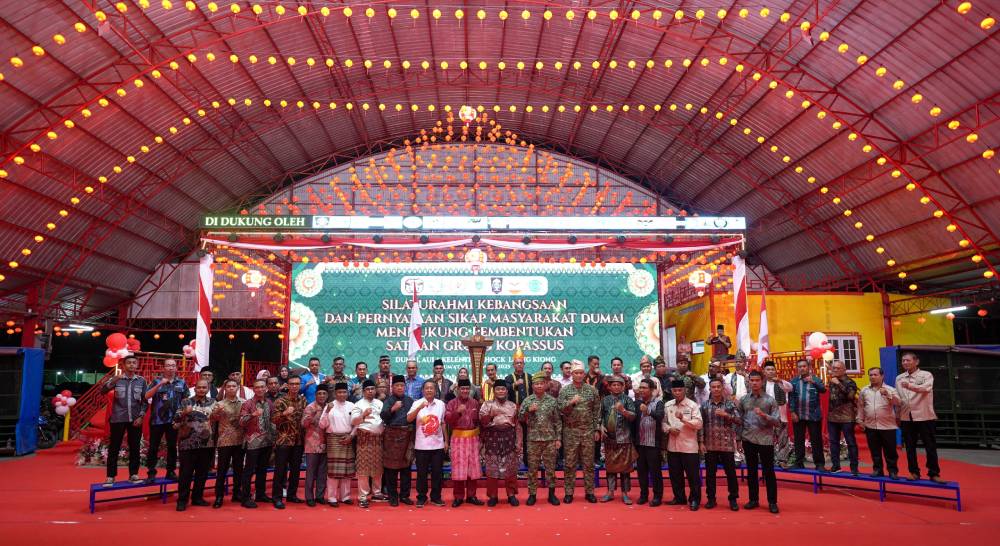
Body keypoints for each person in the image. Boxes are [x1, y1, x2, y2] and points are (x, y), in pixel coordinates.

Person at [557, 359, 600, 504]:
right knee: (569, 464)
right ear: (572, 374)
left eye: (581, 373)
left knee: (588, 464)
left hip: (588, 431)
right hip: (570, 432)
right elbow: (560, 409)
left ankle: (590, 492)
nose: (579, 375)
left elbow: (596, 411)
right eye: (576, 373)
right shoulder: (565, 390)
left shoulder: (592, 390)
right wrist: (571, 402)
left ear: (584, 374)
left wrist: (596, 429)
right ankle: (569, 492)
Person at [101, 354, 148, 487]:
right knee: (114, 448)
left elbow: (145, 401)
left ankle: (133, 474)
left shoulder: (142, 381)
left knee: (135, 448)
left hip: (135, 419)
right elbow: (102, 391)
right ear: (123, 365)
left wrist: (141, 416)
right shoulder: (117, 379)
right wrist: (113, 381)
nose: (132, 365)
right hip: (118, 418)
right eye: (129, 363)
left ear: (137, 365)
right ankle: (110, 476)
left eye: (134, 362)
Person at [738, 371, 781, 513]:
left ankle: (772, 502)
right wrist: (738, 439)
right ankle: (753, 499)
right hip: (748, 438)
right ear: (749, 382)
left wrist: (764, 415)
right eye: (752, 380)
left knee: (769, 472)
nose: (754, 383)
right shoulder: (744, 400)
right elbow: (739, 420)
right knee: (751, 471)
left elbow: (777, 422)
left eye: (757, 380)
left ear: (762, 382)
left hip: (765, 440)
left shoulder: (770, 400)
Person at [897, 352, 943, 482]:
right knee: (910, 447)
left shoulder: (926, 375)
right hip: (906, 416)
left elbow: (926, 388)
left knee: (930, 446)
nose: (905, 362)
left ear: (916, 362)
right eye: (903, 361)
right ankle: (914, 472)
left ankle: (934, 473)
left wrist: (910, 386)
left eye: (908, 360)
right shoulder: (899, 378)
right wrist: (897, 414)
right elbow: (899, 397)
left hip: (924, 416)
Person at [520, 372, 562, 506]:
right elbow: (520, 418)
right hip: (533, 440)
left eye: (541, 383)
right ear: (532, 386)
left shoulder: (552, 401)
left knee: (551, 468)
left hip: (550, 439)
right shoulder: (528, 401)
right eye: (536, 384)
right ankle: (532, 494)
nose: (539, 386)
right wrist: (528, 411)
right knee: (532, 469)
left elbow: (557, 421)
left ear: (545, 385)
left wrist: (558, 438)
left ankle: (551, 494)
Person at [173, 379, 216, 511]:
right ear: (195, 388)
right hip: (187, 443)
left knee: (202, 473)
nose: (201, 389)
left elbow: (216, 419)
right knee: (185, 474)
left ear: (208, 389)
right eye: (199, 387)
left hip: (206, 443)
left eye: (204, 387)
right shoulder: (186, 402)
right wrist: (184, 412)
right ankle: (182, 500)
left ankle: (197, 498)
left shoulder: (213, 402)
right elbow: (175, 419)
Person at [700, 378, 740, 511]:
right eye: (713, 387)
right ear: (710, 389)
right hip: (710, 444)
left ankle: (733, 499)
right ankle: (711, 499)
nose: (716, 389)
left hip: (726, 444)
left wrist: (726, 415)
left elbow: (739, 420)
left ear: (722, 388)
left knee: (731, 473)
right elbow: (701, 425)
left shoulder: (730, 404)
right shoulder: (704, 405)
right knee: (710, 474)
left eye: (718, 386)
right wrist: (701, 442)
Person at [480, 379, 520, 507]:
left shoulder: (513, 406)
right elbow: (483, 423)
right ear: (494, 391)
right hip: (492, 439)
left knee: (510, 469)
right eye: (498, 389)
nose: (501, 391)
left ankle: (511, 495)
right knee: (492, 470)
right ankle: (493, 496)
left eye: (503, 389)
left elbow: (518, 426)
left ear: (506, 391)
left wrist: (519, 442)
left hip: (509, 439)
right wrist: (493, 415)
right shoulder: (487, 405)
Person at [664, 379, 703, 511]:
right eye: (675, 390)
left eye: (680, 390)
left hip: (689, 447)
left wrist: (683, 419)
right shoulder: (668, 405)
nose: (677, 393)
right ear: (671, 391)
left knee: (693, 476)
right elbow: (663, 423)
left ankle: (695, 499)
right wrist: (669, 429)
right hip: (672, 446)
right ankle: (679, 497)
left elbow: (699, 424)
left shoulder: (692, 405)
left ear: (685, 390)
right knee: (675, 475)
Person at [144, 358, 185, 483]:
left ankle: (170, 471)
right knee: (153, 447)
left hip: (173, 421)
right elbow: (146, 396)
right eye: (168, 365)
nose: (171, 367)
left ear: (176, 368)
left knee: (172, 447)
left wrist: (181, 417)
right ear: (163, 368)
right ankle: (151, 472)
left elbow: (186, 399)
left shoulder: (181, 382)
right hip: (157, 420)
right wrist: (159, 384)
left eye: (173, 365)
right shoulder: (156, 381)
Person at [445, 378, 483, 507]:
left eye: (467, 388)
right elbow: (447, 420)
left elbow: (479, 422)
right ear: (457, 390)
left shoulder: (475, 403)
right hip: (458, 439)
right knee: (459, 469)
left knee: (473, 469)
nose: (465, 391)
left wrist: (481, 440)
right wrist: (457, 412)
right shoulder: (452, 403)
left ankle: (472, 496)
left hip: (473, 439)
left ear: (470, 390)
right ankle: (458, 497)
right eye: (462, 388)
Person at [857, 367, 902, 479]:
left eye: (875, 375)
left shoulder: (890, 389)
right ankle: (877, 470)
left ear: (882, 376)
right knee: (875, 451)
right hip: (870, 426)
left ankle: (892, 471)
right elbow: (860, 406)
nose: (872, 377)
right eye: (871, 375)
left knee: (890, 451)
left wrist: (887, 394)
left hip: (887, 426)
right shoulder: (864, 390)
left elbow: (898, 403)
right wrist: (859, 420)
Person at [600, 375, 637, 504]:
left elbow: (633, 417)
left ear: (623, 387)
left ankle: (625, 493)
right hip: (609, 439)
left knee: (625, 469)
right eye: (613, 385)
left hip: (624, 438)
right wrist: (601, 426)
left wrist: (623, 411)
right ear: (609, 387)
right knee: (610, 468)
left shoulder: (627, 399)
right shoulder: (605, 400)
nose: (616, 387)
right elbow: (600, 416)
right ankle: (610, 492)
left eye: (618, 385)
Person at [409, 380, 447, 507]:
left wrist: (446, 441)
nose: (429, 390)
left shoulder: (441, 404)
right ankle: (421, 497)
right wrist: (419, 408)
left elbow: (443, 423)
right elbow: (409, 418)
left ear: (435, 390)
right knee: (422, 473)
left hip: (438, 444)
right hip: (421, 445)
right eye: (427, 388)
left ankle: (436, 497)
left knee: (437, 473)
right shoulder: (416, 403)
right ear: (423, 390)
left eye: (432, 388)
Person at [270, 375, 307, 508]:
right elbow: (274, 420)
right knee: (280, 470)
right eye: (292, 384)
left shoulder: (303, 400)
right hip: (284, 440)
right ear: (287, 385)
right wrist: (284, 414)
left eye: (297, 384)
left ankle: (292, 495)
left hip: (298, 440)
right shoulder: (280, 401)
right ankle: (277, 497)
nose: (294, 386)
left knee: (295, 470)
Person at [239, 379, 275, 508]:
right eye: (257, 387)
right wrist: (253, 415)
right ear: (253, 389)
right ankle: (245, 498)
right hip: (253, 441)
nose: (260, 389)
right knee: (249, 470)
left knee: (262, 469)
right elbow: (241, 422)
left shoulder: (269, 403)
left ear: (266, 388)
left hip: (267, 441)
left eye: (262, 387)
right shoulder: (248, 403)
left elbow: (272, 420)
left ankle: (260, 494)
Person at [381, 375, 415, 506]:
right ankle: (393, 496)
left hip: (407, 436)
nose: (400, 388)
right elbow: (383, 417)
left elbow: (414, 418)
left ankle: (405, 496)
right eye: (397, 386)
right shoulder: (388, 400)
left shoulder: (410, 400)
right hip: (391, 437)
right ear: (392, 387)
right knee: (391, 469)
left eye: (402, 385)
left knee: (406, 468)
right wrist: (392, 409)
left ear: (405, 387)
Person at [211, 379, 245, 508]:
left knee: (238, 469)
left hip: (240, 440)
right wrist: (216, 412)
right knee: (222, 470)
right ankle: (219, 496)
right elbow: (212, 419)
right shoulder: (219, 404)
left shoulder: (244, 402)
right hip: (224, 441)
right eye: (228, 386)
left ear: (237, 388)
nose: (231, 388)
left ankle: (237, 493)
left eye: (233, 386)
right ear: (225, 388)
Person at [321, 383, 356, 507]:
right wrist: (327, 412)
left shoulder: (352, 406)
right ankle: (332, 498)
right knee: (333, 471)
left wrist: (351, 436)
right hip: (333, 439)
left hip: (348, 438)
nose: (342, 394)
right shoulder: (329, 406)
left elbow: (357, 424)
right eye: (339, 392)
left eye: (344, 392)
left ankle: (345, 497)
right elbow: (322, 425)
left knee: (347, 470)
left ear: (347, 393)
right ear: (335, 393)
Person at [789, 359, 827, 471]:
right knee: (798, 440)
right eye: (800, 366)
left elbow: (823, 390)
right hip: (798, 415)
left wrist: (813, 382)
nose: (802, 368)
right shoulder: (794, 381)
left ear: (808, 367)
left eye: (804, 366)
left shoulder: (816, 379)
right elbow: (791, 397)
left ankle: (819, 464)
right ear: (797, 368)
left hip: (813, 415)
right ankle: (799, 462)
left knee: (816, 440)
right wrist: (792, 412)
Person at [352, 380, 385, 508]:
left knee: (378, 467)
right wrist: (363, 415)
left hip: (378, 439)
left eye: (372, 389)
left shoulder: (380, 403)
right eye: (368, 389)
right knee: (364, 469)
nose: (370, 391)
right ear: (363, 391)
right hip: (364, 440)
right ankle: (363, 496)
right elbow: (354, 422)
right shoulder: (358, 404)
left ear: (375, 390)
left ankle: (377, 492)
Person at [633, 378, 665, 507]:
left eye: (644, 388)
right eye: (640, 387)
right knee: (641, 471)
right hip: (640, 443)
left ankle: (657, 496)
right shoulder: (637, 403)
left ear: (651, 390)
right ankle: (643, 495)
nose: (641, 390)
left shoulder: (658, 403)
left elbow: (660, 416)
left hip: (653, 443)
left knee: (655, 472)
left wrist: (648, 411)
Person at [827, 360, 860, 475]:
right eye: (834, 368)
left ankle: (854, 468)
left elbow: (850, 396)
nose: (835, 370)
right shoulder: (832, 381)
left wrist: (838, 384)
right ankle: (836, 466)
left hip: (847, 417)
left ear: (844, 370)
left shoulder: (850, 382)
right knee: (833, 442)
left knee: (850, 442)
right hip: (832, 417)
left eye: (838, 368)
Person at [301, 385, 329, 507]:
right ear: (315, 395)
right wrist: (315, 415)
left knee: (323, 472)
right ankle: (309, 497)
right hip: (312, 444)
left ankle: (320, 496)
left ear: (327, 395)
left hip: (326, 443)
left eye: (324, 393)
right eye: (319, 393)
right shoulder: (310, 407)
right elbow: (304, 424)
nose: (322, 396)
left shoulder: (329, 407)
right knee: (311, 472)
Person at [763, 361, 793, 466]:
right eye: (768, 370)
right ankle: (767, 460)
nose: (770, 371)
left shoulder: (781, 383)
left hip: (780, 415)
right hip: (765, 416)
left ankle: (782, 460)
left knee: (782, 439)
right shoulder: (761, 384)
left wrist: (780, 380)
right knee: (766, 439)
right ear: (764, 372)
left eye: (772, 369)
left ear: (775, 371)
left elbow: (790, 388)